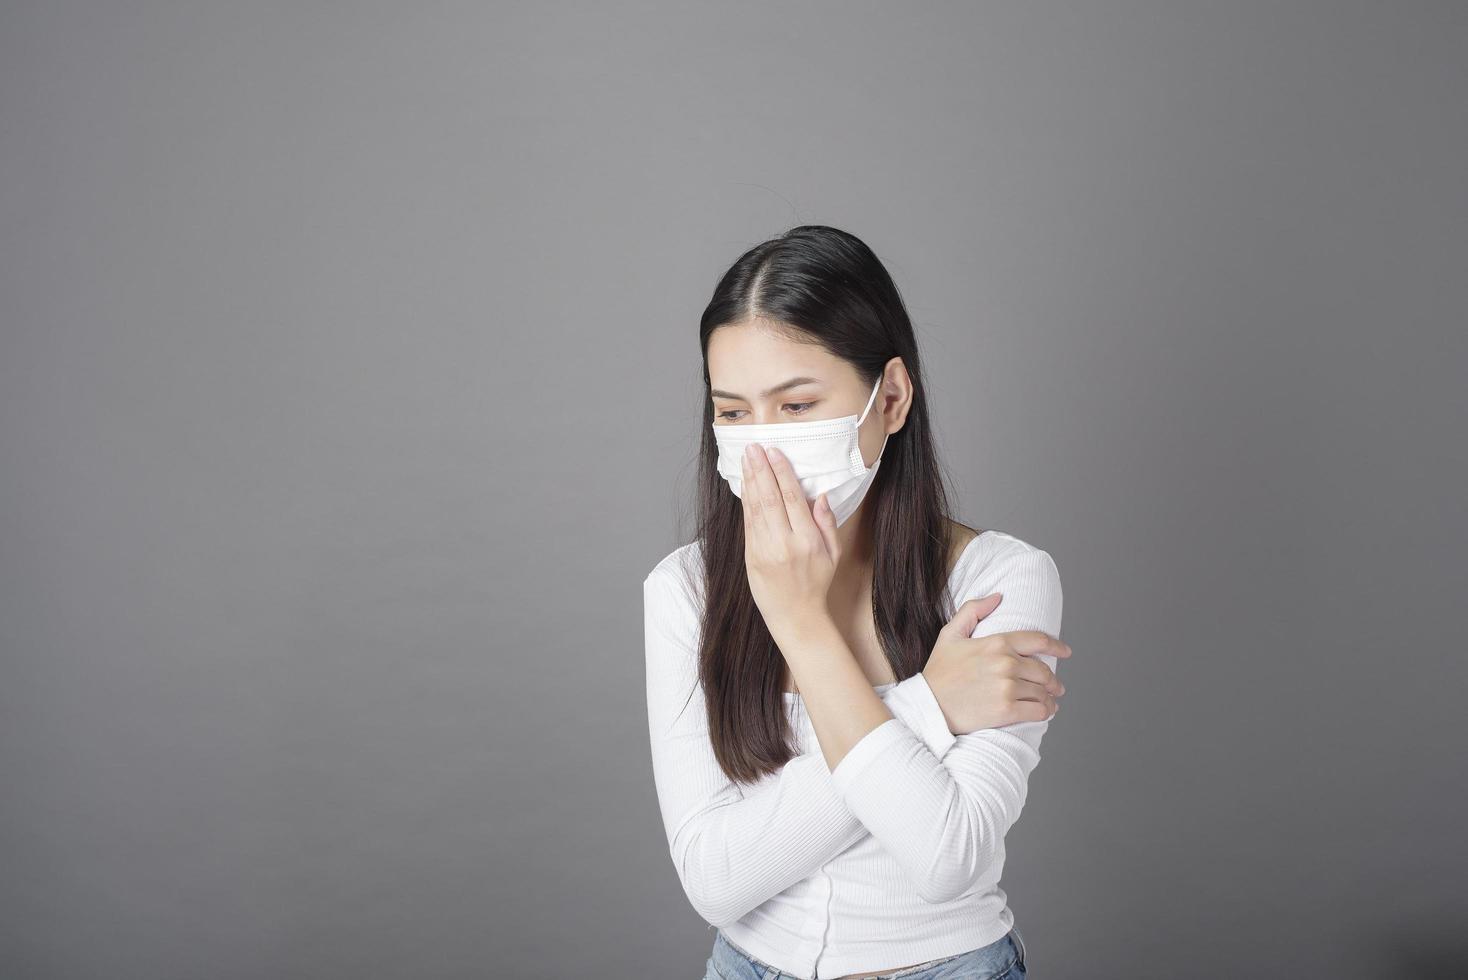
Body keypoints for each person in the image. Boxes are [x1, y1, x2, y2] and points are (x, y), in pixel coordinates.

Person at [644, 225, 1070, 980]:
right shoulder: (684, 589)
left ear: (892, 398)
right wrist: (928, 705)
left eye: (798, 405)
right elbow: (715, 880)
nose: (765, 446)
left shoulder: (998, 582)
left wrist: (803, 626)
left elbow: (947, 857)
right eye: (735, 413)